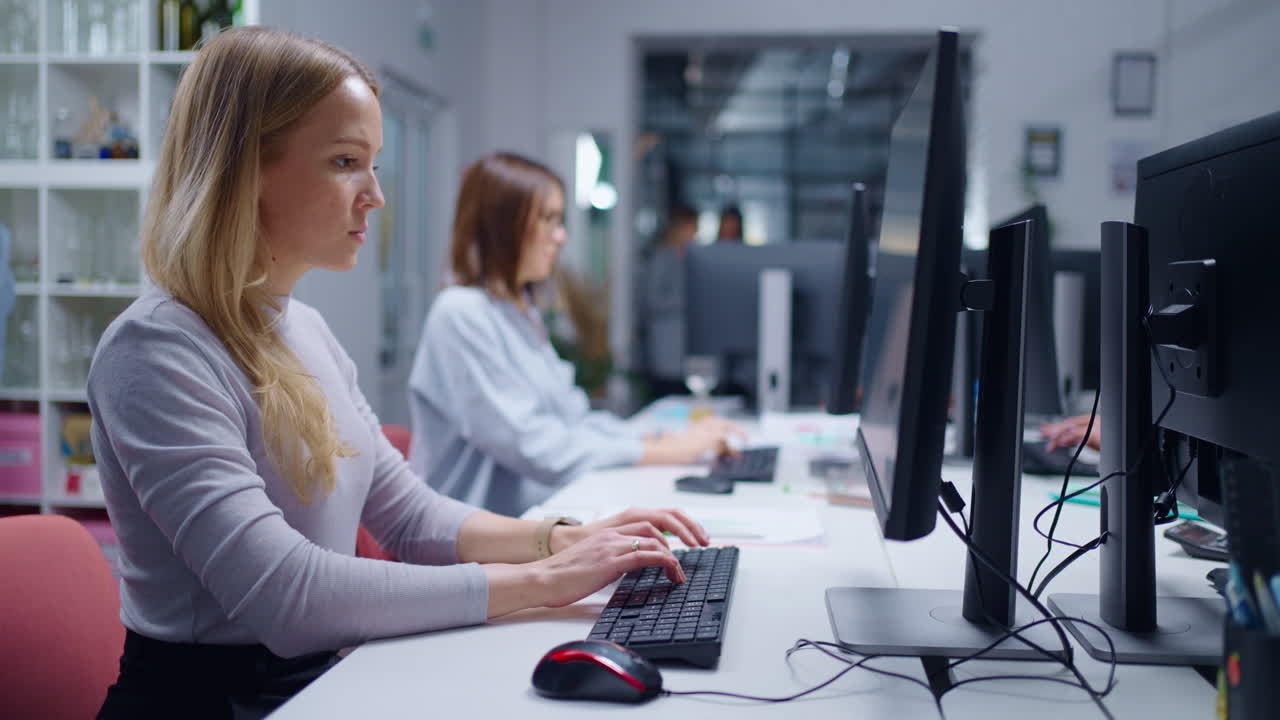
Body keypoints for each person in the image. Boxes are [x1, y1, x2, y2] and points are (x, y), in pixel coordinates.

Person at [88, 28, 707, 719]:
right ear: (244, 169)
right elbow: (288, 598)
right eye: (345, 162)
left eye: (374, 164)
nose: (376, 195)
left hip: (317, 679)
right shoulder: (155, 349)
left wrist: (566, 539)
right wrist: (543, 580)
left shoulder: (305, 330)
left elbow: (411, 516)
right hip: (215, 701)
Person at [408, 152, 744, 518]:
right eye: (549, 219)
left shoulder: (520, 313)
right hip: (476, 539)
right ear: (503, 225)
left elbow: (574, 420)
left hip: (532, 520)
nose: (561, 236)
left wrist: (659, 440)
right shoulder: (461, 313)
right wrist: (663, 452)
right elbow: (533, 446)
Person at [638, 204, 698, 398]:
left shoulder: (692, 257)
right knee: (668, 392)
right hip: (666, 344)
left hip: (686, 348)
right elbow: (651, 300)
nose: (694, 233)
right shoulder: (661, 256)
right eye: (690, 227)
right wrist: (688, 300)